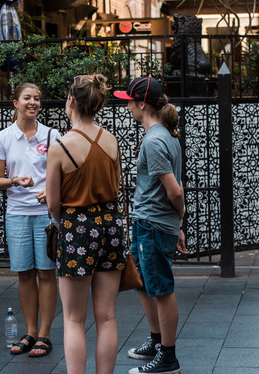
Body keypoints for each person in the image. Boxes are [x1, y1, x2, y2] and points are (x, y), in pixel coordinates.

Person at [46, 74, 125, 374]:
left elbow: (54, 203)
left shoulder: (61, 146)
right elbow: (115, 186)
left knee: (73, 319)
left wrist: (63, 222)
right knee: (106, 317)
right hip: (111, 225)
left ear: (71, 102)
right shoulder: (112, 141)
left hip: (77, 228)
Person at [114, 77, 187, 374]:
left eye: (130, 100)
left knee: (161, 288)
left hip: (153, 225)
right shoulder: (166, 136)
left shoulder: (155, 141)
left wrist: (178, 218)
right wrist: (177, 222)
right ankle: (157, 343)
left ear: (142, 104)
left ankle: (168, 357)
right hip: (153, 223)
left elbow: (175, 191)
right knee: (145, 284)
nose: (128, 105)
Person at [0, 82, 58, 357]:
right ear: (15, 103)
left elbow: (62, 174)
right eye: (27, 98)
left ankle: (45, 335)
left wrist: (50, 192)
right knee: (25, 274)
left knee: (46, 272)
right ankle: (30, 332)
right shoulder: (3, 137)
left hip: (45, 213)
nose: (33, 102)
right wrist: (14, 180)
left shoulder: (53, 135)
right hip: (16, 213)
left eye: (37, 99)